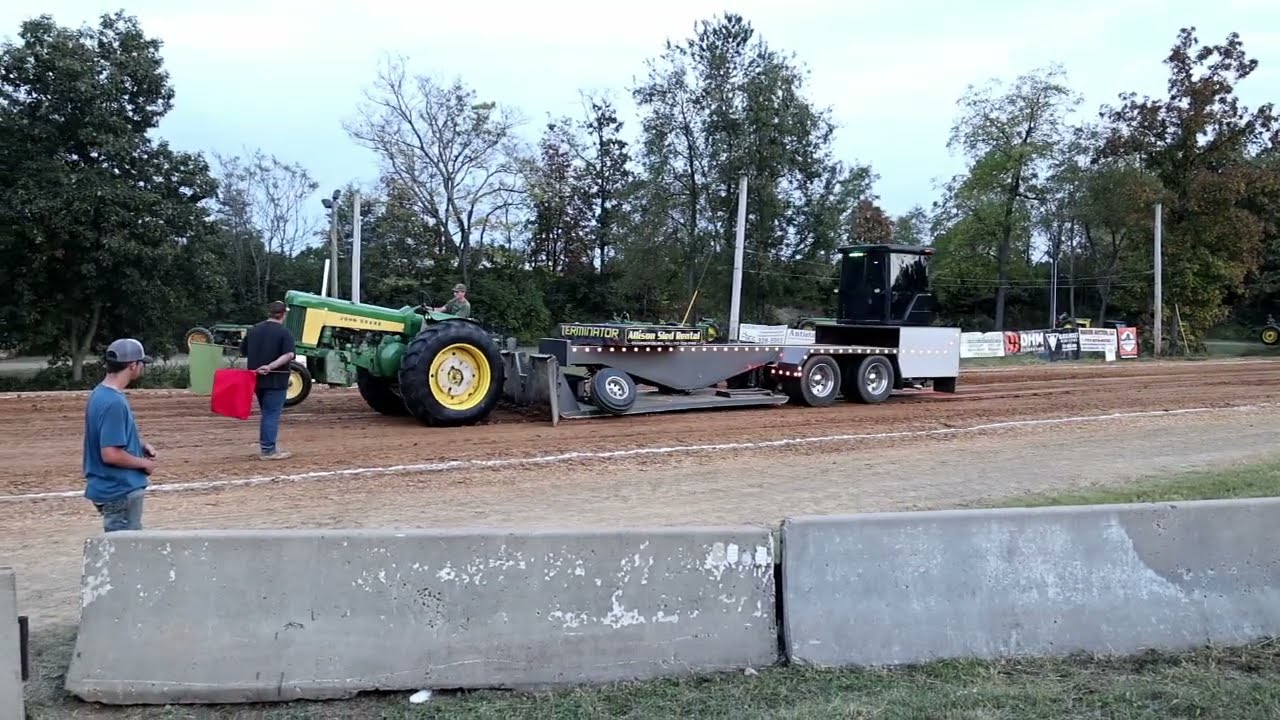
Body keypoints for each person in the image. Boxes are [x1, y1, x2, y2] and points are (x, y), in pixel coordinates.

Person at [83, 338, 156, 532]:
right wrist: (145, 464)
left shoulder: (99, 394)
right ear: (132, 365)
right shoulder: (114, 403)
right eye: (141, 363)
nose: (142, 367)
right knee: (126, 555)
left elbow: (105, 436)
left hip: (110, 489)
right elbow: (111, 454)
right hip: (120, 490)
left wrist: (138, 445)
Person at [239, 300, 297, 460]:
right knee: (271, 414)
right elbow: (288, 355)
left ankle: (268, 445)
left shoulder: (254, 330)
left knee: (266, 413)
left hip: (256, 379)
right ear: (283, 314)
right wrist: (270, 366)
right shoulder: (285, 333)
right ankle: (268, 449)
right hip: (276, 379)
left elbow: (243, 351)